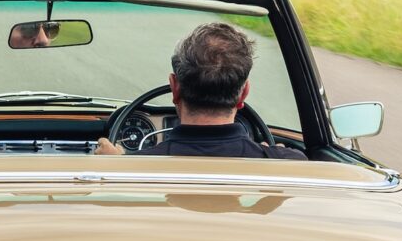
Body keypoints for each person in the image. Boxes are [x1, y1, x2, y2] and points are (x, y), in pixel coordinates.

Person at [96, 21, 306, 159]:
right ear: (243, 94)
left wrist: (112, 165)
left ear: (174, 89)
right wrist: (275, 157)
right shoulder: (289, 165)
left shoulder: (128, 171)